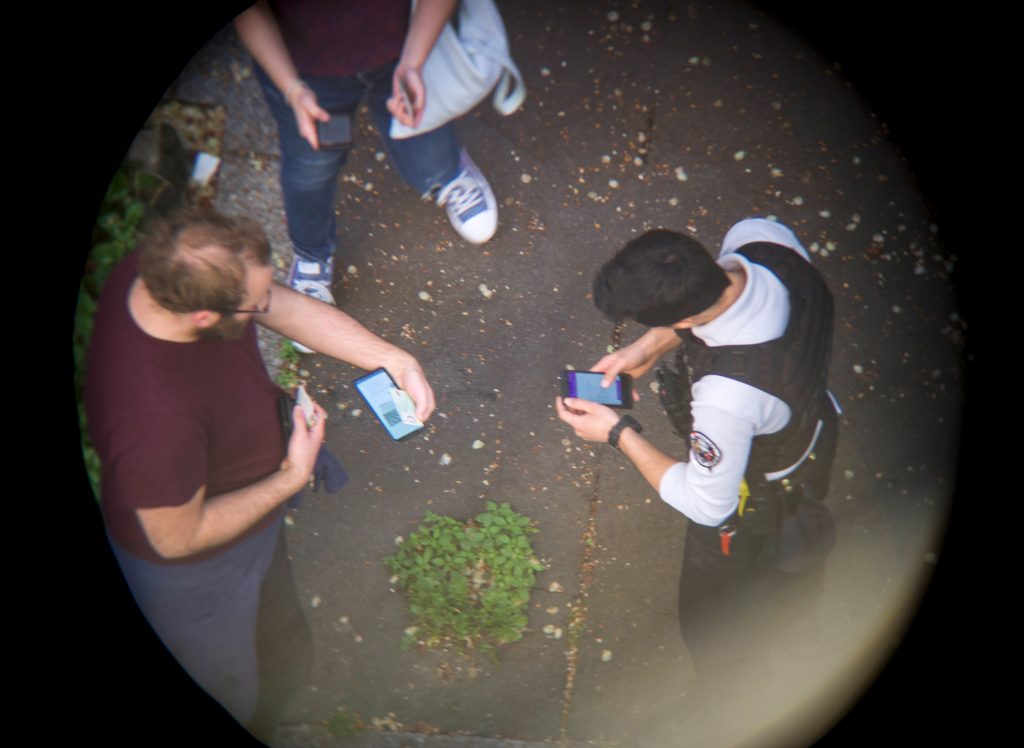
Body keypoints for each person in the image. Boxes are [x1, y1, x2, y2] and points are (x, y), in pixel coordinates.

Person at [84, 208, 435, 742]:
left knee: (281, 654)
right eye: (253, 304)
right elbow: (175, 537)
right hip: (201, 573)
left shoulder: (164, 270)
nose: (265, 302)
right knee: (232, 689)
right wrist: (293, 475)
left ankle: (280, 688)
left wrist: (390, 359)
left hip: (252, 524)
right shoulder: (153, 422)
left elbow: (276, 302)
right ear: (205, 317)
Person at [555, 218, 840, 718]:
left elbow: (710, 504)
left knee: (710, 616)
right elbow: (711, 309)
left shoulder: (725, 398)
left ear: (684, 321)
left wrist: (617, 433)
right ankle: (804, 619)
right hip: (815, 424)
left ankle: (722, 697)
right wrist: (644, 347)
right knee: (797, 564)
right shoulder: (759, 238)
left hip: (764, 489)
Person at [234, 0, 499, 351]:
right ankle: (311, 253)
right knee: (310, 169)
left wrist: (413, 62)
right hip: (302, 71)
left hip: (403, 46)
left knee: (422, 132)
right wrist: (292, 88)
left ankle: (447, 173)